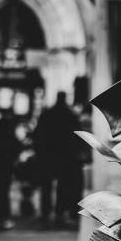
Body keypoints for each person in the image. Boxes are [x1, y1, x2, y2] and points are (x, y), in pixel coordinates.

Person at [34, 91, 83, 228]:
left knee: (46, 186)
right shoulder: (71, 116)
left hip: (48, 156)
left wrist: (40, 153)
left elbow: (38, 135)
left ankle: (45, 212)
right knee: (63, 186)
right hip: (65, 157)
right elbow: (77, 136)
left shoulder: (47, 114)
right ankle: (59, 212)